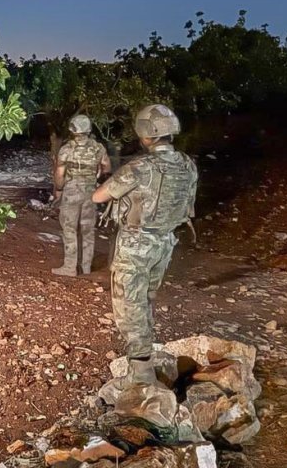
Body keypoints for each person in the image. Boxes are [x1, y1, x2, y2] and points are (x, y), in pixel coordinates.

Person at [91, 104, 197, 385]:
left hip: (137, 243)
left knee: (129, 305)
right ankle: (148, 354)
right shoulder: (187, 164)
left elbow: (99, 197)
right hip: (165, 243)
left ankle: (141, 373)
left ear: (147, 135)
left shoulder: (141, 167)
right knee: (146, 299)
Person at [53, 114, 111, 276]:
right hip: (91, 192)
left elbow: (59, 173)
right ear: (88, 129)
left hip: (71, 192)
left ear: (72, 129)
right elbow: (106, 167)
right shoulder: (98, 148)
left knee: (69, 229)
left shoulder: (67, 149)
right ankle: (86, 268)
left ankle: (70, 267)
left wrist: (58, 189)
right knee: (88, 230)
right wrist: (97, 178)